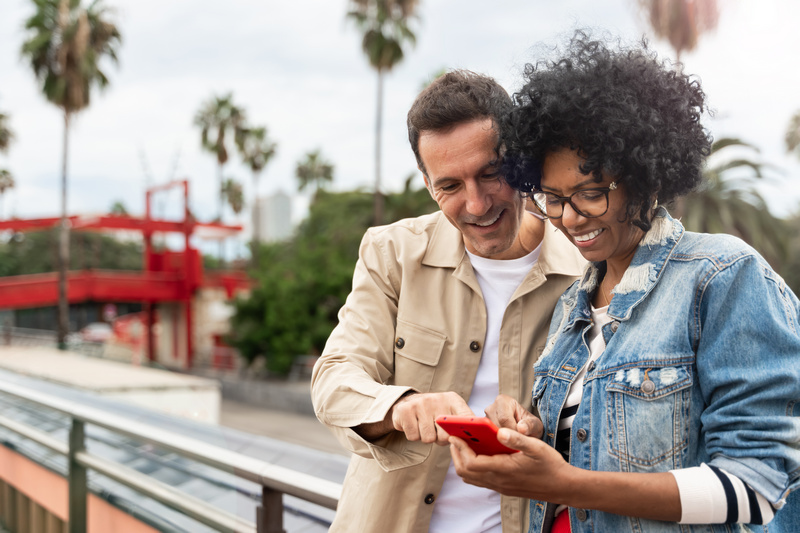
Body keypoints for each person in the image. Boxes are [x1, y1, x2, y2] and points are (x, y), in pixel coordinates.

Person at [449, 32, 800, 533]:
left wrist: (564, 483)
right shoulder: (574, 302)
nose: (569, 218)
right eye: (552, 198)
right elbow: (593, 438)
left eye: (590, 193)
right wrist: (528, 427)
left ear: (647, 178)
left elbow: (756, 485)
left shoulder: (721, 276)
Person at [311, 70, 585, 532]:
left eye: (490, 174)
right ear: (425, 181)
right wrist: (399, 408)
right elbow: (334, 378)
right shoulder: (392, 252)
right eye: (450, 186)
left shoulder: (584, 272)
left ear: (519, 161)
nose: (476, 205)